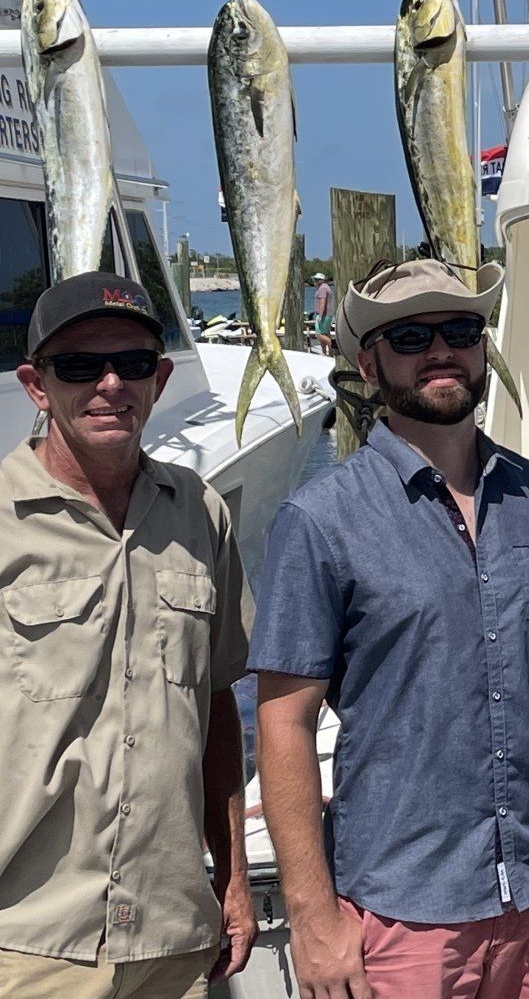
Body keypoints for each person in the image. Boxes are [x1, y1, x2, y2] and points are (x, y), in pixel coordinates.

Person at [251, 258, 529, 999]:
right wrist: (311, 916)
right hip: (401, 912)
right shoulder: (320, 519)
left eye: (461, 330)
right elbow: (285, 722)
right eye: (410, 336)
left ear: (484, 348)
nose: (441, 350)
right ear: (369, 364)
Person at [0, 273, 254, 997]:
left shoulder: (201, 512)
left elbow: (217, 708)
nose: (110, 384)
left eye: (133, 363)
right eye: (80, 365)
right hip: (25, 941)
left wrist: (234, 877)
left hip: (171, 937)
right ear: (37, 386)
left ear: (159, 378)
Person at [312, 272, 334, 352]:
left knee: (318, 334)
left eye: (316, 280)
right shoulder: (326, 287)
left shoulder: (322, 288)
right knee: (326, 333)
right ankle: (327, 352)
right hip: (328, 314)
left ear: (321, 281)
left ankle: (333, 345)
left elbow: (322, 301)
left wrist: (320, 315)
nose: (314, 281)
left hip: (324, 315)